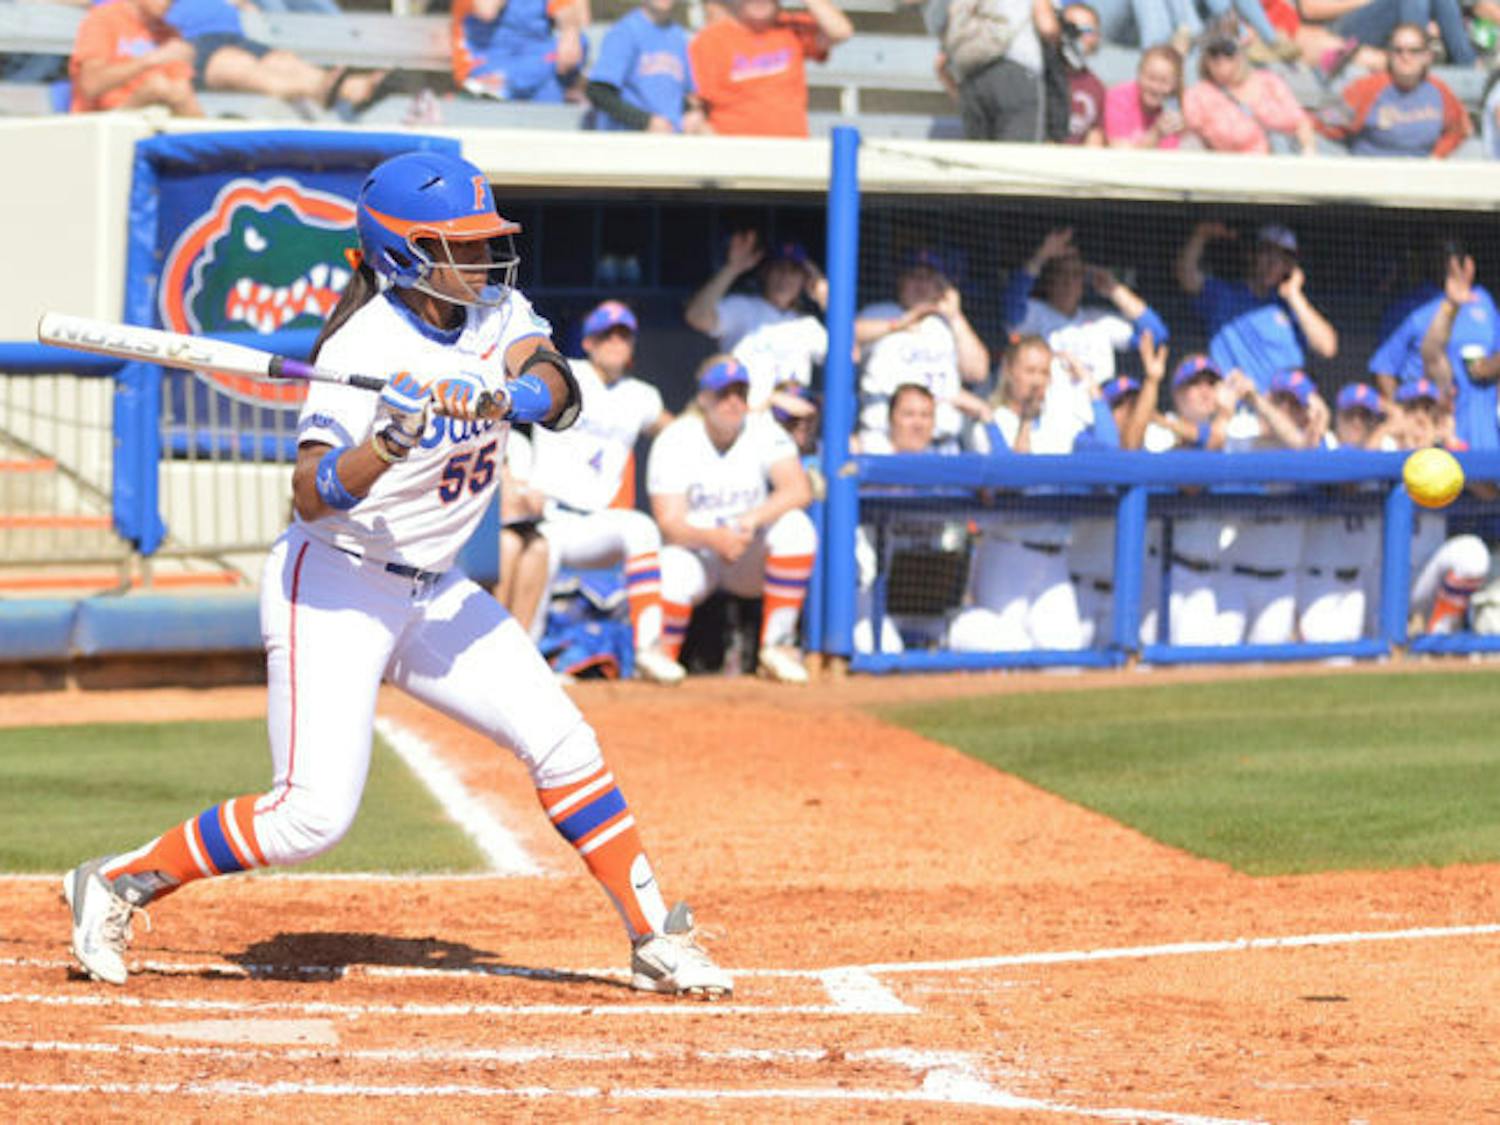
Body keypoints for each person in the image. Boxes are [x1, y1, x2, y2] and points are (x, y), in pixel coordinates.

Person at [61, 150, 731, 1000]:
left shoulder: (495, 311)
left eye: (488, 241)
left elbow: (559, 393)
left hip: (436, 585)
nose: (485, 259)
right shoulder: (364, 342)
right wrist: (389, 442)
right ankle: (117, 881)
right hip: (336, 584)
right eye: (464, 244)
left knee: (565, 741)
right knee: (311, 815)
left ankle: (651, 936)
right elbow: (311, 495)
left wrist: (502, 397)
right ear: (406, 252)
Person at [526, 300, 685, 684]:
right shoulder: (565, 374)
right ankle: (528, 664)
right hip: (551, 516)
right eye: (606, 336)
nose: (615, 343)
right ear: (590, 342)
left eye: (623, 336)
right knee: (541, 553)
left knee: (641, 528)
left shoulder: (642, 396)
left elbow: (680, 431)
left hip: (597, 522)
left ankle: (649, 649)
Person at [647, 356, 818, 682]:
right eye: (723, 393)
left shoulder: (763, 429)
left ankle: (777, 647)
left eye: (740, 393)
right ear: (704, 398)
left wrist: (750, 521)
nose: (733, 402)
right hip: (699, 552)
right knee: (670, 566)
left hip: (745, 549)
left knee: (796, 528)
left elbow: (798, 489)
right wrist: (715, 538)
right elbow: (669, 523)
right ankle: (661, 658)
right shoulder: (676, 438)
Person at [948, 335, 1087, 653]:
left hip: (1056, 556)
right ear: (1010, 371)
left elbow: (1109, 451)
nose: (1038, 381)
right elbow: (1011, 476)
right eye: (1030, 370)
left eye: (1044, 372)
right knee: (1006, 652)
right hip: (1008, 551)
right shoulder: (989, 419)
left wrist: (1088, 388)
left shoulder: (1059, 424)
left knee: (1068, 655)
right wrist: (1024, 420)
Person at [1003, 226, 1171, 436]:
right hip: (1050, 420)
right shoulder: (1036, 314)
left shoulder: (1098, 320)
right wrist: (1042, 256)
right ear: (1048, 279)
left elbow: (1156, 335)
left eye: (1075, 275)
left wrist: (1113, 289)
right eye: (1061, 273)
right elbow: (1011, 311)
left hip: (1099, 419)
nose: (1068, 281)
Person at [1175, 221, 1339, 394]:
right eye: (1266, 252)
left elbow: (1327, 347)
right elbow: (1187, 277)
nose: (1273, 263)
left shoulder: (1292, 307)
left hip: (1285, 410)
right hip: (1239, 410)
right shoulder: (1226, 296)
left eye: (1283, 258)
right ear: (1252, 255)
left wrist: (1294, 295)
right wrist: (1201, 236)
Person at [853, 251, 992, 452]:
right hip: (885, 443)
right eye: (914, 276)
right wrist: (898, 324)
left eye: (929, 277)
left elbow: (978, 372)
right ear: (901, 281)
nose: (921, 284)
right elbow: (844, 335)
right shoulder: (881, 313)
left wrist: (955, 317)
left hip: (943, 445)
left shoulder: (947, 324)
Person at [683, 232, 828, 411]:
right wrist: (732, 269)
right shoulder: (743, 308)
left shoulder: (808, 326)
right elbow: (696, 317)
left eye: (793, 271)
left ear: (805, 281)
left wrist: (825, 298)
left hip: (789, 423)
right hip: (745, 418)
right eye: (779, 269)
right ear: (765, 273)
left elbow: (851, 356)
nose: (784, 278)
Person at [1390, 380, 1491, 634]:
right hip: (1373, 580)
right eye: (1412, 409)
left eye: (1429, 410)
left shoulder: (1446, 458)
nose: (1421, 419)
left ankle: (1439, 634)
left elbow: (1489, 494)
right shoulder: (1381, 447)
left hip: (1425, 576)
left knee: (1473, 554)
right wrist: (1389, 433)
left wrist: (1450, 445)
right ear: (1398, 413)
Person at [164, 0, 387, 113]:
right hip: (195, 42)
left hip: (234, 33)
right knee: (240, 65)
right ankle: (326, 89)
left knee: (283, 61)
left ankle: (346, 85)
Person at [1296, 381, 1387, 643]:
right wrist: (1381, 434)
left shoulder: (1383, 453)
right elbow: (1348, 479)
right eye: (1351, 414)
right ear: (1338, 417)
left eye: (1365, 416)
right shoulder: (1325, 446)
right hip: (1319, 584)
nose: (1357, 422)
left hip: (1357, 585)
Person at [688, 0, 853, 137]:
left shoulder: (791, 28)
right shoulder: (710, 41)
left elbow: (841, 31)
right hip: (736, 151)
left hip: (791, 149)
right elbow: (696, 109)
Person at [1314, 24, 1470, 157]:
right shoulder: (1365, 89)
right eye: (1398, 50)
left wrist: (1436, 157)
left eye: (1414, 51)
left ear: (1427, 56)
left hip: (1419, 180)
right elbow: (1325, 122)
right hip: (1372, 178)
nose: (1405, 57)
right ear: (1389, 55)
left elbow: (1458, 130)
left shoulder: (1439, 90)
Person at [925, 0, 1057, 142]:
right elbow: (1047, 27)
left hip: (971, 75)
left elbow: (939, 32)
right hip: (1016, 72)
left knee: (980, 156)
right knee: (1019, 154)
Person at [1419, 246, 1500, 452]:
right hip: (1455, 459)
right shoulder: (1449, 381)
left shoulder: (1485, 302)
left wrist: (1491, 365)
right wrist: (1451, 306)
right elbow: (1431, 354)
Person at [1183, 30, 1317, 155]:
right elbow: (1191, 133)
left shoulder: (1268, 81)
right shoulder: (1197, 94)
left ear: (1240, 54)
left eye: (1228, 51)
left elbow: (1300, 121)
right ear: (1205, 60)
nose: (1221, 59)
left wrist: (1308, 153)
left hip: (1276, 161)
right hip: (1229, 168)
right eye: (1213, 53)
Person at [586, 0, 708, 132]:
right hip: (631, 141)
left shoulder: (678, 36)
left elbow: (680, 95)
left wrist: (691, 113)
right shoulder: (625, 31)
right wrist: (645, 121)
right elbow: (598, 92)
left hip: (669, 140)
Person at [68, 0, 201, 116]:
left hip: (152, 118)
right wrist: (150, 60)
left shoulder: (169, 33)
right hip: (101, 119)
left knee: (177, 89)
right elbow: (91, 85)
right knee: (156, 86)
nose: (169, 3)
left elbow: (183, 90)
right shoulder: (103, 19)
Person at [452, 0, 589, 103]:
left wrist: (570, 33)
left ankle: (506, 83)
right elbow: (487, 10)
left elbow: (574, 17)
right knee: (549, 83)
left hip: (535, 58)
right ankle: (503, 85)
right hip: (486, 59)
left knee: (580, 42)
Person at [1298, 0, 1476, 68]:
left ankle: (1467, 65)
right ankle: (1416, 65)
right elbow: (1310, 9)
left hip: (1379, 21)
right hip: (1335, 29)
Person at [496, 429, 553, 640]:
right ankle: (490, 641)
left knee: (538, 547)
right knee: (508, 544)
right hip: (456, 531)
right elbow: (509, 504)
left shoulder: (517, 442)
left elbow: (535, 505)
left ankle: (517, 646)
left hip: (503, 528)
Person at [1103, 45, 1186, 149]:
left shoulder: (1170, 112)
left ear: (1174, 85)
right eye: (1151, 78)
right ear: (1139, 74)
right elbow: (1120, 153)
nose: (1155, 87)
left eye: (1164, 82)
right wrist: (1156, 133)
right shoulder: (1119, 98)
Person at [1058, 2, 1108, 145]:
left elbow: (1095, 138)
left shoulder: (1096, 88)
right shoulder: (1042, 79)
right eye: (1071, 28)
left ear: (1097, 37)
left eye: (1087, 30)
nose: (1078, 35)